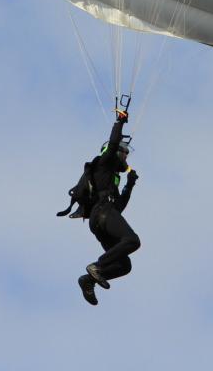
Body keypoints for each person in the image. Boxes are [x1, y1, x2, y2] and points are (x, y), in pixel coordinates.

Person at [77, 109, 140, 306]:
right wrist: (120, 122)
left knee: (124, 264)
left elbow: (118, 208)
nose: (126, 158)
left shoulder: (111, 178)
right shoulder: (104, 163)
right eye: (125, 153)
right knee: (132, 241)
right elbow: (112, 144)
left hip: (101, 219)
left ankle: (88, 280)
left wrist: (129, 185)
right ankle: (97, 266)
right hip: (102, 212)